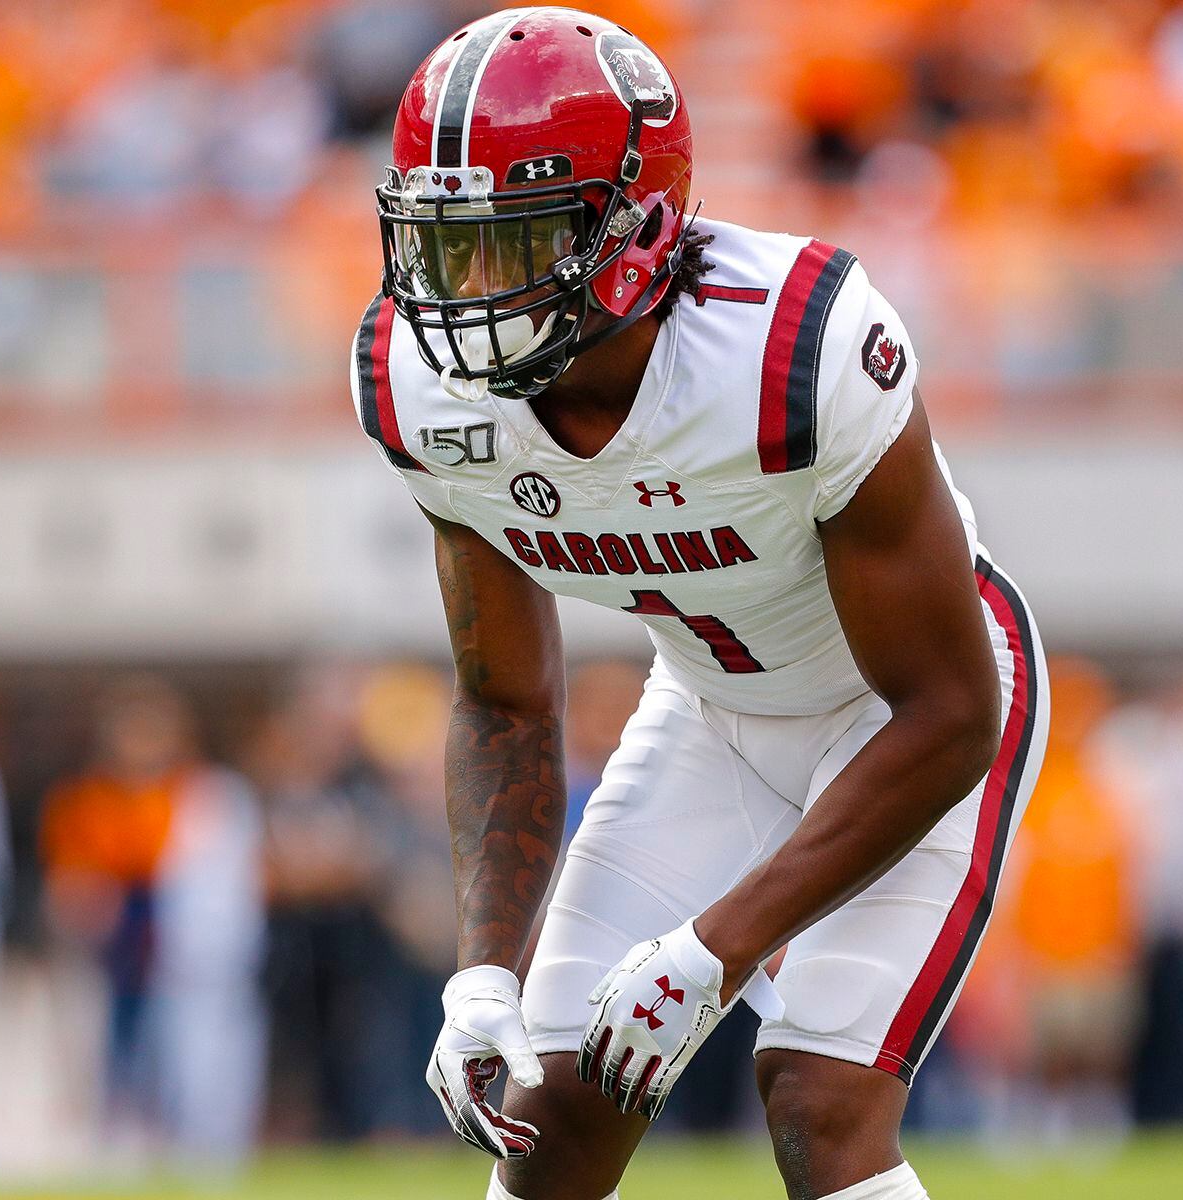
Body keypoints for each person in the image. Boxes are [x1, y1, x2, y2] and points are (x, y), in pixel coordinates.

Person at [351, 10, 1048, 1200]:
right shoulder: (422, 388)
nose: (469, 292)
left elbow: (946, 711)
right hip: (714, 711)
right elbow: (504, 698)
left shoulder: (791, 349)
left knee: (819, 1100)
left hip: (909, 715)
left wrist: (712, 954)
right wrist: (484, 976)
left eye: (515, 244)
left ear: (631, 225)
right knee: (552, 1121)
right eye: (449, 244)